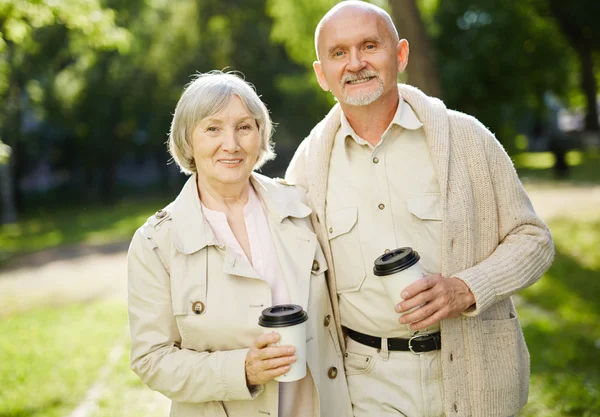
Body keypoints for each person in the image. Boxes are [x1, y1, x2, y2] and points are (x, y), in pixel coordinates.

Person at [285, 2, 554, 417]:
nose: (355, 63)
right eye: (338, 53)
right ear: (322, 74)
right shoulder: (306, 167)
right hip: (366, 387)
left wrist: (466, 288)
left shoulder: (466, 139)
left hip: (474, 374)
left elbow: (534, 241)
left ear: (401, 55)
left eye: (369, 46)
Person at [127, 71, 352, 417]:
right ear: (188, 140)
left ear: (260, 135)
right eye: (212, 128)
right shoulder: (155, 243)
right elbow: (151, 358)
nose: (231, 144)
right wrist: (242, 370)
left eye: (244, 127)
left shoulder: (302, 209)